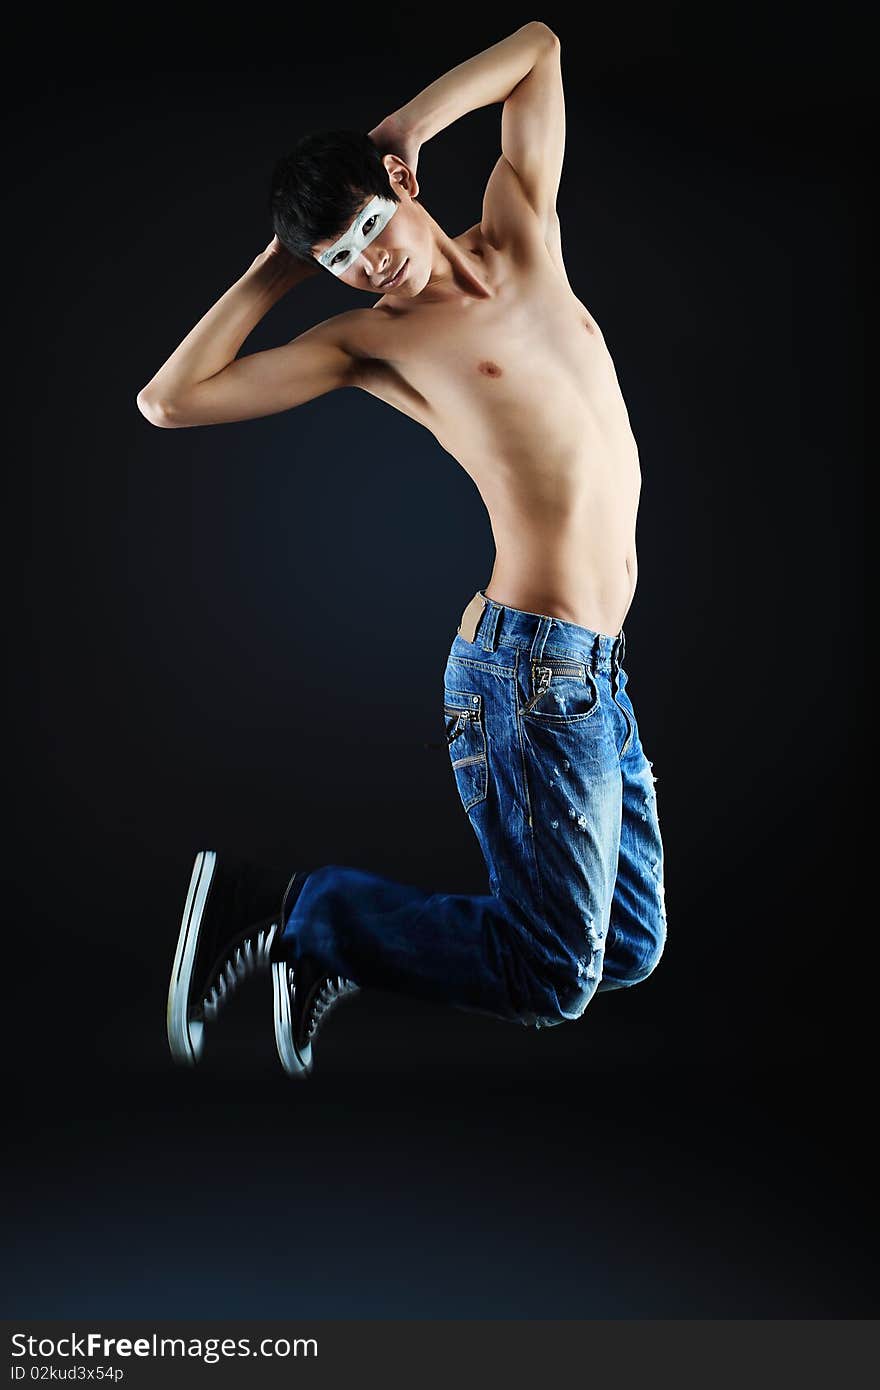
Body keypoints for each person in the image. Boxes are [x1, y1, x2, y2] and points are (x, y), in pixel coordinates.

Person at [139, 21, 668, 1079]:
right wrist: (279, 267)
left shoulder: (522, 233)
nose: (366, 259)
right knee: (554, 976)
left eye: (370, 225)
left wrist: (410, 124)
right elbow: (169, 401)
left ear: (402, 183)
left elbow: (539, 49)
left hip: (595, 679)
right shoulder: (369, 342)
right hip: (526, 675)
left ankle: (327, 938)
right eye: (337, 255)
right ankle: (296, 913)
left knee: (626, 947)